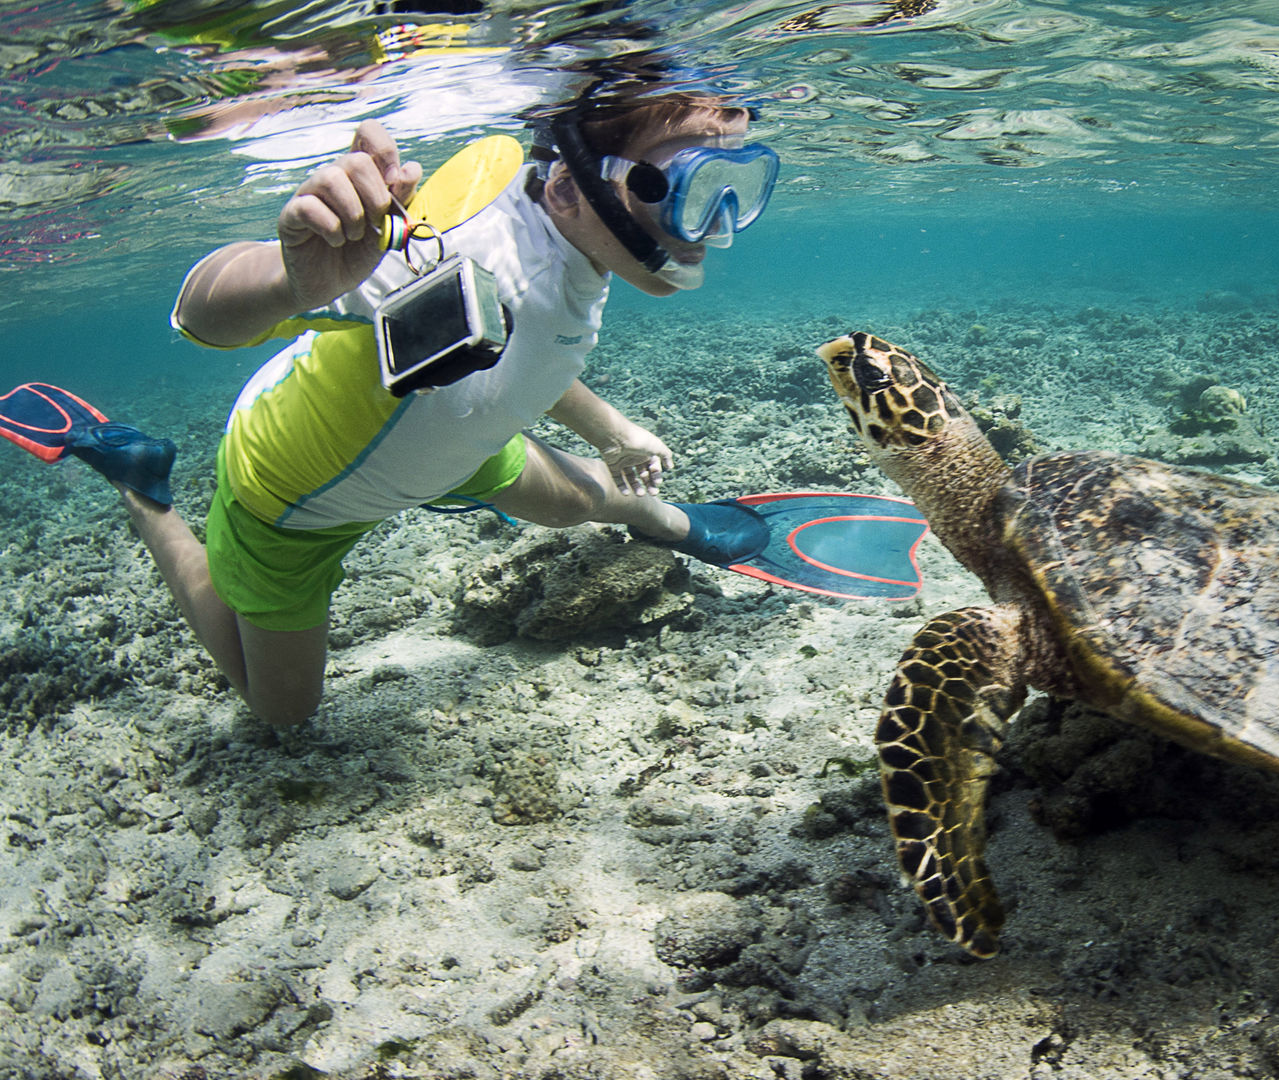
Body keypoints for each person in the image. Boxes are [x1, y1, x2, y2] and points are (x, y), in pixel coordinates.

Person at [96, 92, 780, 726]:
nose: (714, 228)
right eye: (686, 188)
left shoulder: (570, 230)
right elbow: (198, 313)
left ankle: (674, 522)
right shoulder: (456, 239)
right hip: (294, 495)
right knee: (284, 712)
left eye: (737, 186)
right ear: (571, 188)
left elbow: (519, 350)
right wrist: (287, 281)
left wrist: (613, 430)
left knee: (570, 503)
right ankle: (142, 490)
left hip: (447, 435)